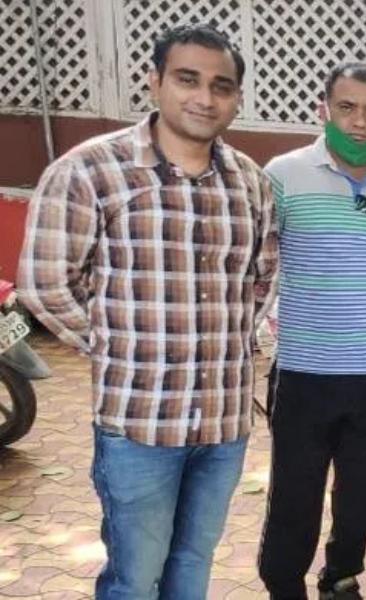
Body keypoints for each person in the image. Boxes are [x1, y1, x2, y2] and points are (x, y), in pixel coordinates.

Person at [17, 24, 277, 599]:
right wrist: (122, 348)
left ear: (236, 97)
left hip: (223, 422)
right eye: (188, 79)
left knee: (193, 564)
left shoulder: (250, 184)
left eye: (221, 86)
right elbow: (47, 284)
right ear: (155, 81)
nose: (204, 98)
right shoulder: (91, 172)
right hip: (140, 423)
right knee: (134, 578)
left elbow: (262, 278)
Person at [256, 63, 366, 599]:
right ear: (323, 110)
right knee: (295, 494)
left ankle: (341, 576)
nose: (359, 123)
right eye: (346, 108)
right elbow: (260, 263)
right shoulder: (283, 175)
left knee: (361, 493)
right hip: (305, 372)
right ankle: (284, 585)